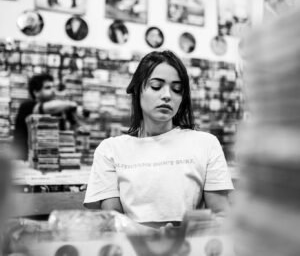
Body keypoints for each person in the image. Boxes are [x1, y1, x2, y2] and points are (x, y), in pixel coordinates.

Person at [84, 50, 233, 228]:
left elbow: (221, 215)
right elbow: (113, 222)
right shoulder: (110, 149)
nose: (167, 95)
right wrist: (151, 238)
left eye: (177, 89)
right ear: (137, 89)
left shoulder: (206, 144)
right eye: (156, 86)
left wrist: (182, 236)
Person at [13, 73, 78, 161]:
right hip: (25, 160)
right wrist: (70, 104)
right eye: (48, 88)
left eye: (53, 87)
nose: (53, 90)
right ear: (36, 92)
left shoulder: (59, 109)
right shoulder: (27, 106)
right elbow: (47, 108)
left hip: (51, 161)